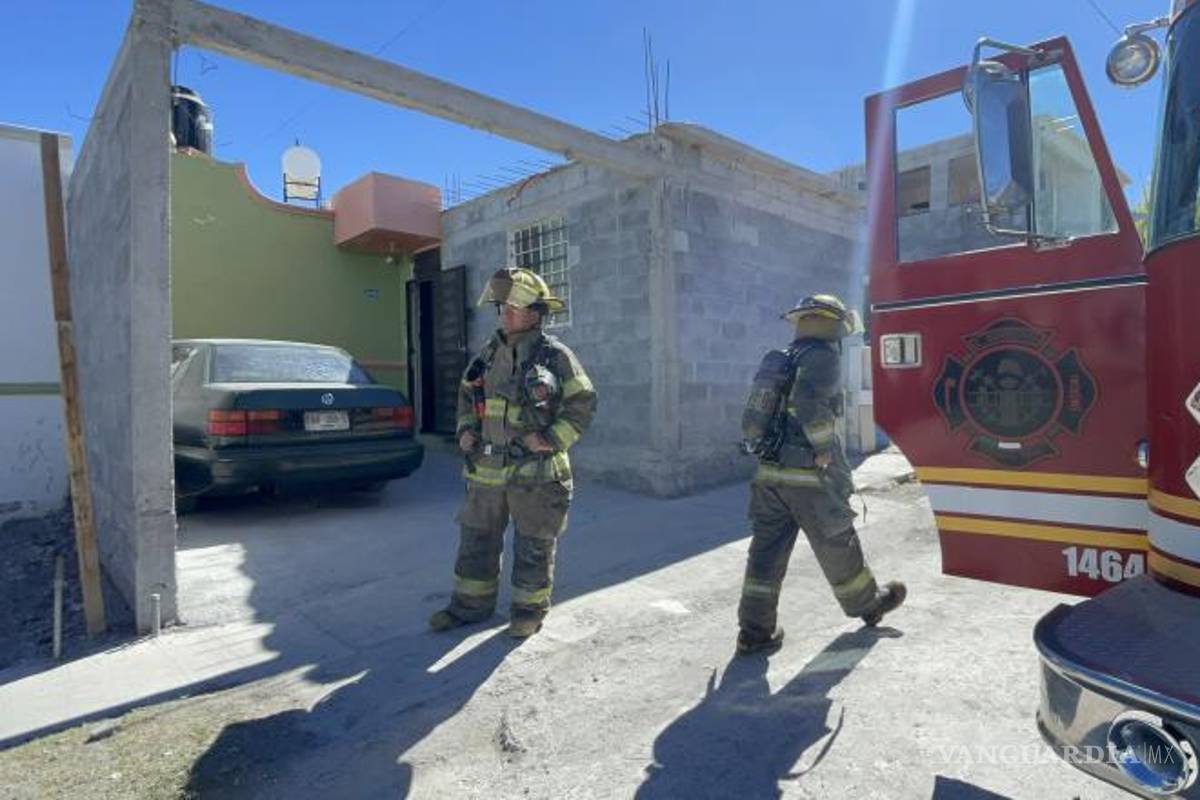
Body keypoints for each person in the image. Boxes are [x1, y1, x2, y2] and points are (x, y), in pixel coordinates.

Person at [428, 267, 597, 639]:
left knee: (534, 544)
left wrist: (552, 437)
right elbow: (466, 398)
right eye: (501, 305)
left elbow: (582, 403)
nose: (504, 312)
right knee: (476, 540)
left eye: (513, 306)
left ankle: (527, 611)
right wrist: (465, 431)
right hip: (485, 471)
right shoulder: (486, 357)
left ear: (536, 312)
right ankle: (469, 607)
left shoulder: (556, 356)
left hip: (536, 474)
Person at [736, 293, 905, 655]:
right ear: (834, 324)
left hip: (769, 475)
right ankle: (868, 604)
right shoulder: (824, 358)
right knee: (837, 542)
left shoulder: (784, 358)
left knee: (765, 554)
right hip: (809, 476)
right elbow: (809, 405)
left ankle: (754, 632)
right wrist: (825, 449)